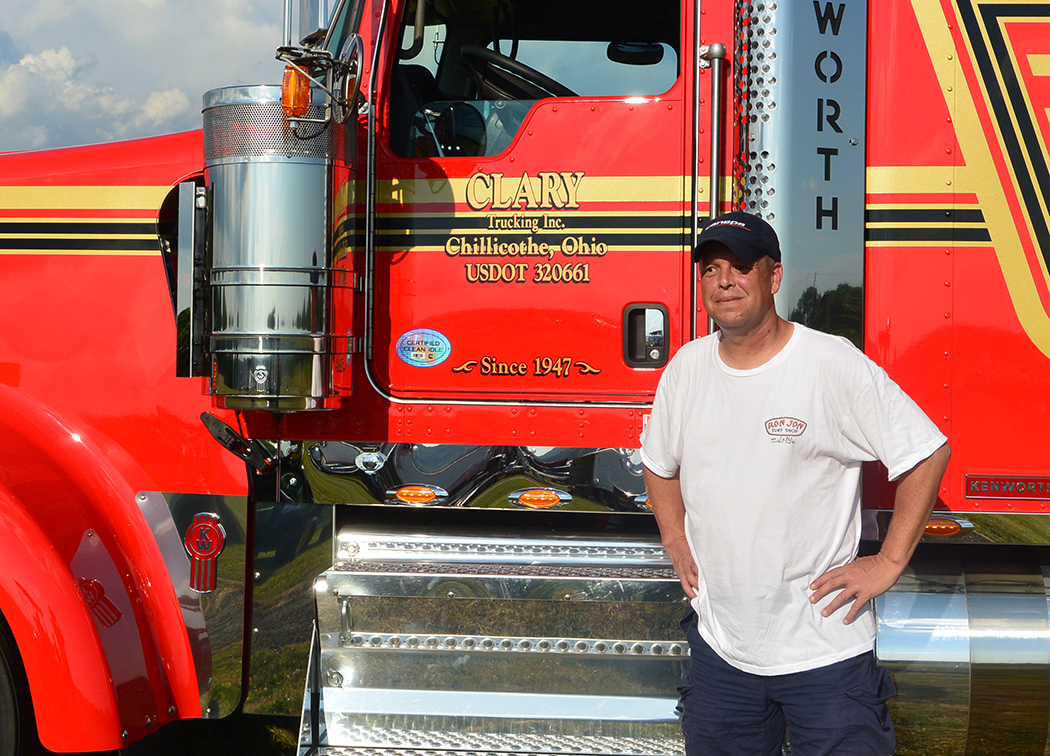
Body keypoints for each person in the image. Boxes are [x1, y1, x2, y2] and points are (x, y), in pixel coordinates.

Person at [640, 212, 950, 756]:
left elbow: (925, 452)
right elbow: (658, 463)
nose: (724, 281)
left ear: (775, 275)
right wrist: (674, 538)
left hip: (824, 653)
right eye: (711, 269)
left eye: (741, 266)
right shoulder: (687, 368)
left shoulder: (829, 363)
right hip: (723, 652)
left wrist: (888, 561)